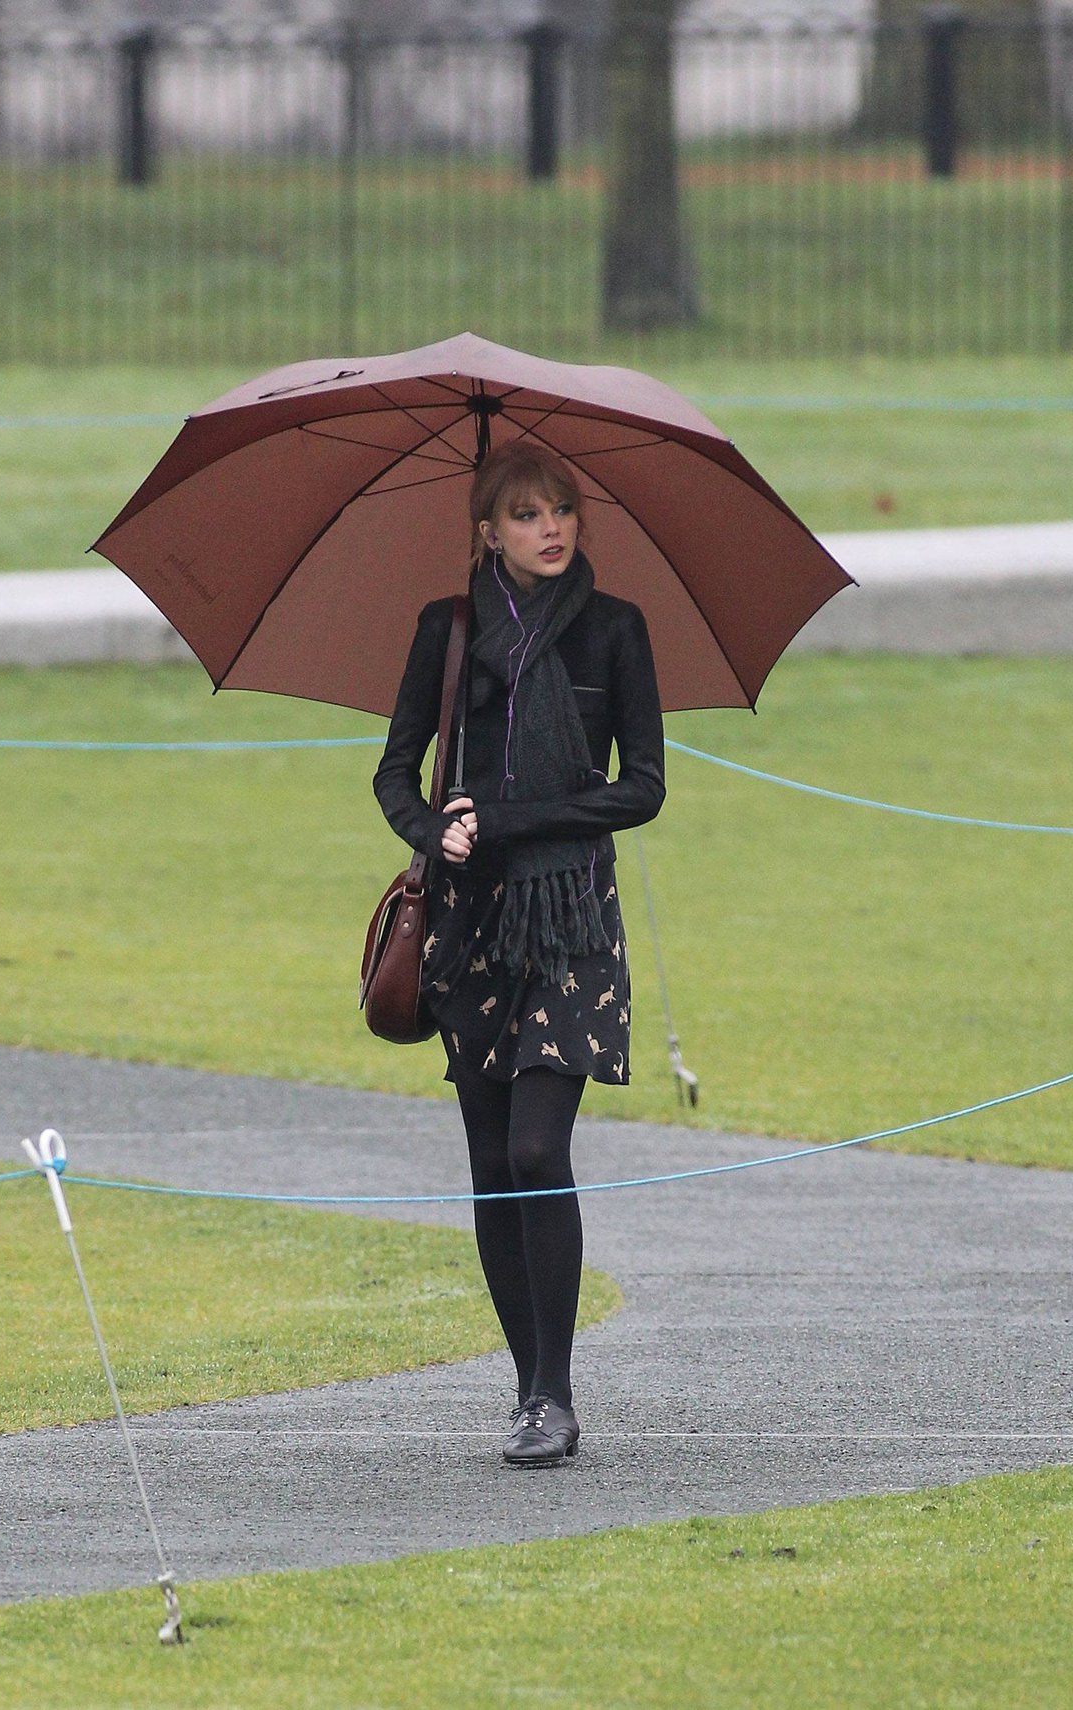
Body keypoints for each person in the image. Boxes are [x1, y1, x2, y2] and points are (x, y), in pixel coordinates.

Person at [373, 440, 665, 1465]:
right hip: (469, 926)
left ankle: (555, 1390)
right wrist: (434, 831)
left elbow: (643, 788)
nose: (551, 529)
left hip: (573, 919)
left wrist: (511, 817)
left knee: (539, 1149)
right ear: (486, 533)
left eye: (562, 511)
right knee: (495, 1166)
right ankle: (525, 1394)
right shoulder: (445, 633)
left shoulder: (614, 631)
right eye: (527, 515)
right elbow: (395, 773)